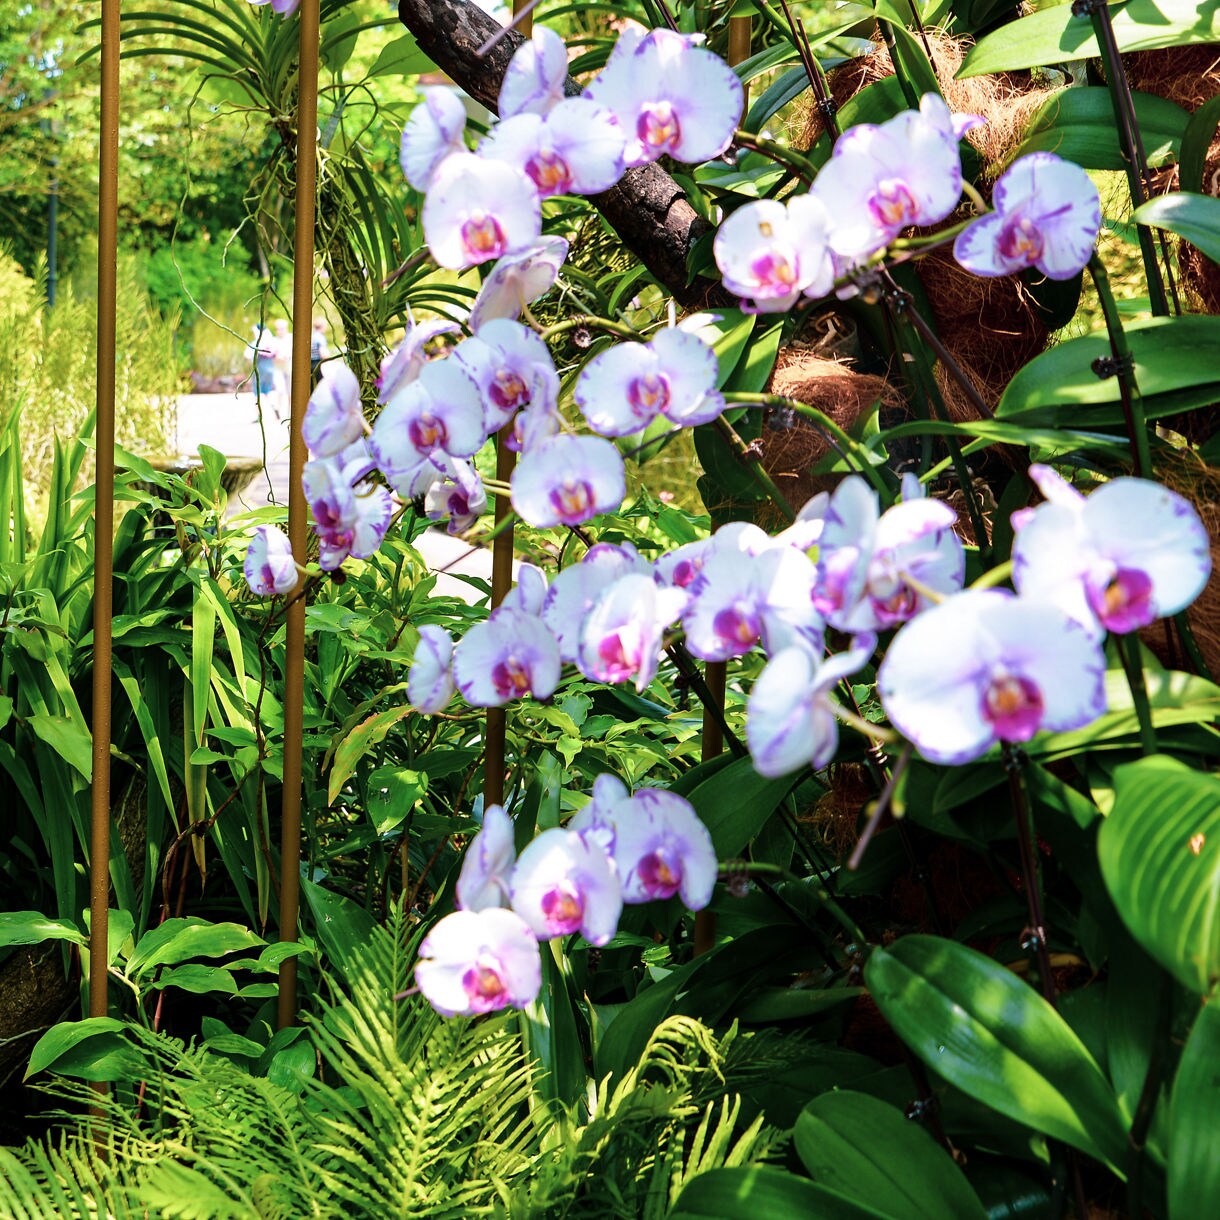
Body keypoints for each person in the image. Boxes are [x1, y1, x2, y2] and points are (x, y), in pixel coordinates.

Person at [248, 324, 277, 405]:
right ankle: (274, 407)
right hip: (270, 370)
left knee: (257, 392)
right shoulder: (271, 340)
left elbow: (248, 355)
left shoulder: (256, 342)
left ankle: (259, 414)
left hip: (259, 370)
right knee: (269, 391)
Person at [271, 318, 292, 420]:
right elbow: (271, 354)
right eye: (278, 329)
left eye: (282, 328)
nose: (280, 331)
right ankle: (277, 409)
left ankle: (290, 412)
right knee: (280, 390)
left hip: (289, 367)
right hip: (278, 368)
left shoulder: (291, 338)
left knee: (290, 391)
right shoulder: (273, 340)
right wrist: (277, 357)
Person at [310, 317, 331, 383]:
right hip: (318, 365)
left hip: (310, 364)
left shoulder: (312, 335)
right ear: (322, 326)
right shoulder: (320, 337)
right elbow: (323, 354)